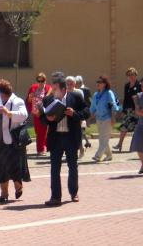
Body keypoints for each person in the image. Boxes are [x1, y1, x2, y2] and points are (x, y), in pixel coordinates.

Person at [39, 77, 89, 206]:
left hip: (71, 137)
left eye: (55, 89)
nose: (53, 91)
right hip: (55, 138)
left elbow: (86, 112)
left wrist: (74, 114)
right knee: (54, 168)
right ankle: (55, 197)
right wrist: (48, 119)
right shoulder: (48, 100)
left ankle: (74, 192)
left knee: (72, 166)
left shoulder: (75, 97)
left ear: (63, 89)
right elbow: (42, 119)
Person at [0, 79, 30, 203]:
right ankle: (4, 194)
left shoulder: (17, 101)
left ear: (2, 92)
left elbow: (24, 115)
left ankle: (18, 186)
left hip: (14, 140)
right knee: (1, 167)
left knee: (14, 167)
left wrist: (9, 113)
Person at [90, 75, 119, 162]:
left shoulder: (109, 93)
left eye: (100, 82)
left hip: (107, 118)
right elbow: (93, 107)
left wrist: (113, 117)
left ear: (105, 84)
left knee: (104, 138)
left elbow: (113, 105)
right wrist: (90, 116)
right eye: (97, 82)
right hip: (99, 118)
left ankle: (98, 156)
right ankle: (109, 155)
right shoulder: (96, 94)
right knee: (102, 138)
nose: (98, 84)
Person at [115, 68, 141, 152]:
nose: (130, 76)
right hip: (128, 110)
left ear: (136, 75)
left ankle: (134, 147)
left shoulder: (139, 85)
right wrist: (123, 110)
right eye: (129, 75)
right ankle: (120, 144)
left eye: (132, 74)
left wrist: (138, 109)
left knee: (137, 129)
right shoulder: (127, 85)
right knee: (124, 126)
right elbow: (125, 98)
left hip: (137, 110)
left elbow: (141, 98)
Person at [26, 73, 51, 156]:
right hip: (35, 113)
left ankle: (41, 149)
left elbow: (50, 100)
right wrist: (30, 97)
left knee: (43, 131)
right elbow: (28, 101)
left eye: (42, 80)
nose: (40, 82)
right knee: (38, 131)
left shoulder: (48, 88)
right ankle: (43, 147)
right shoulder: (33, 87)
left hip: (45, 113)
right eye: (38, 80)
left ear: (45, 80)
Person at [75, 76, 93, 156]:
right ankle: (85, 143)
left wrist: (89, 114)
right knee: (80, 130)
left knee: (80, 130)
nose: (75, 84)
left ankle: (81, 148)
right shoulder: (74, 90)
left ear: (79, 82)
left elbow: (90, 101)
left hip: (83, 113)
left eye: (76, 83)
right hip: (77, 112)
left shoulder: (86, 90)